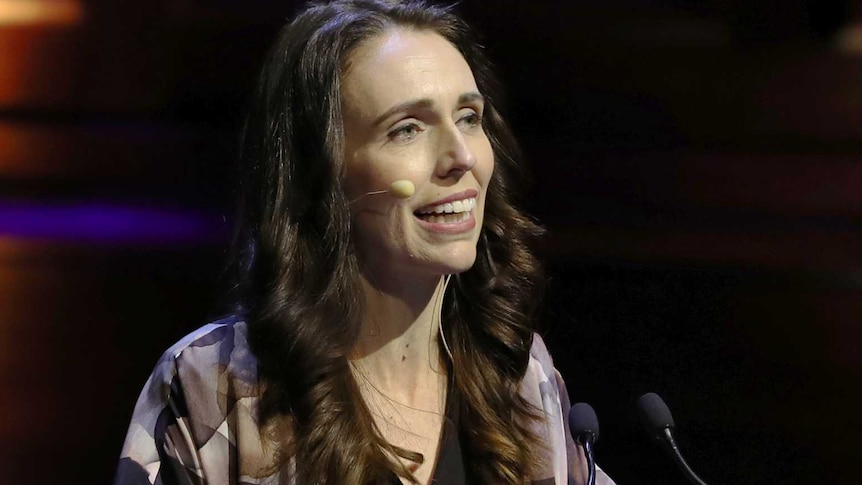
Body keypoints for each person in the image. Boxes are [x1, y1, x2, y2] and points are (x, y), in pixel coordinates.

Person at [114, 1, 614, 484]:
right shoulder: (213, 386)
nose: (461, 157)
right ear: (320, 175)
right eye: (407, 129)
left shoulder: (521, 378)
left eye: (469, 118)